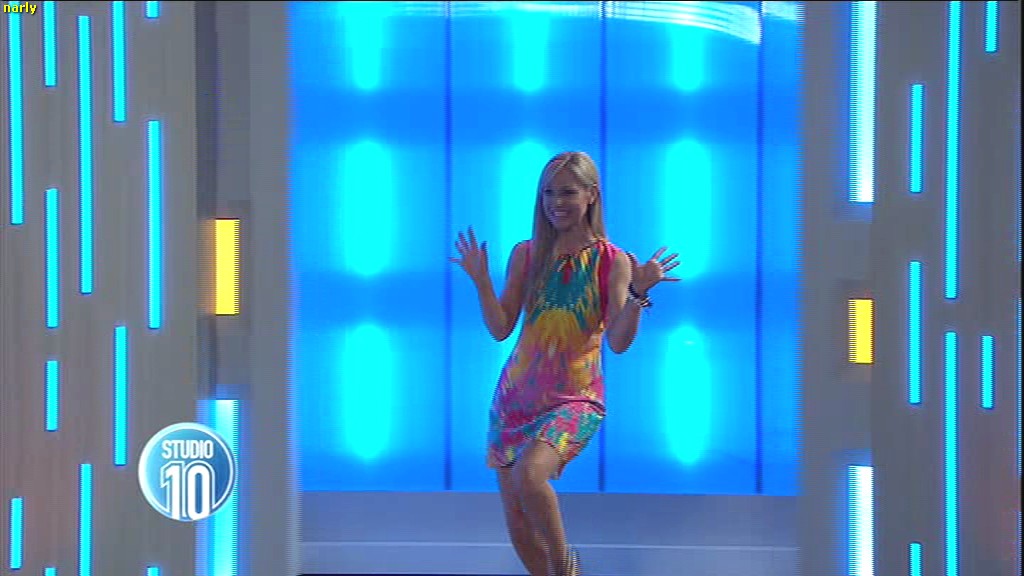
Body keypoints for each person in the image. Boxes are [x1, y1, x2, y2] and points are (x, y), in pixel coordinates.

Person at [450, 151, 678, 576]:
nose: (557, 202)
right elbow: (501, 328)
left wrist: (638, 294)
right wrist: (480, 281)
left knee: (530, 476)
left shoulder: (613, 260)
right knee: (519, 521)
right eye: (549, 193)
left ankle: (565, 567)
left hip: (575, 398)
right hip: (515, 400)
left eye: (568, 192)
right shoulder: (526, 254)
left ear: (591, 195)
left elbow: (618, 342)